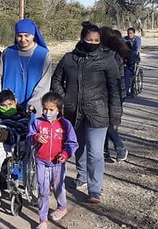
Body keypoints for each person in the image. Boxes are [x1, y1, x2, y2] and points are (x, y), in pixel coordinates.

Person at [51, 24, 122, 203]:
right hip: (73, 112)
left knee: (95, 152)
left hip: (98, 113)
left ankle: (95, 189)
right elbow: (56, 80)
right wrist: (64, 99)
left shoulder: (107, 60)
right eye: (89, 40)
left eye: (96, 41)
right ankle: (81, 177)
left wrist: (115, 116)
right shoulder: (69, 59)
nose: (92, 43)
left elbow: (115, 89)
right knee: (79, 147)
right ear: (82, 39)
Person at [27, 92, 77, 229]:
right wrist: (36, 137)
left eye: (51, 110)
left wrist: (65, 154)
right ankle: (42, 219)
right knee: (42, 189)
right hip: (41, 161)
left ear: (58, 110)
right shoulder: (37, 122)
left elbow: (72, 143)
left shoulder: (65, 124)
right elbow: (29, 137)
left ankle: (62, 206)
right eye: (45, 109)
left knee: (58, 186)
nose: (47, 112)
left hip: (58, 163)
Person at [0, 19, 52, 113]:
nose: (23, 39)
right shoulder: (8, 52)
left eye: (26, 36)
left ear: (33, 35)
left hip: (31, 108)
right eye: (19, 36)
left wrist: (34, 103)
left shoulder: (43, 55)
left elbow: (44, 84)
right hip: (7, 106)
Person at [101, 28, 130, 162]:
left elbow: (117, 81)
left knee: (108, 125)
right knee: (103, 124)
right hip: (112, 95)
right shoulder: (115, 54)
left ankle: (120, 147)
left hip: (112, 95)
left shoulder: (113, 56)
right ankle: (104, 150)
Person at [123, 28, 142, 95]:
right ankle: (126, 88)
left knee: (131, 71)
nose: (129, 34)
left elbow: (138, 48)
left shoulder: (137, 39)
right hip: (126, 57)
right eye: (128, 33)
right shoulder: (124, 39)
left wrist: (134, 53)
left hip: (134, 57)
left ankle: (130, 87)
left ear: (134, 33)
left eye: (131, 33)